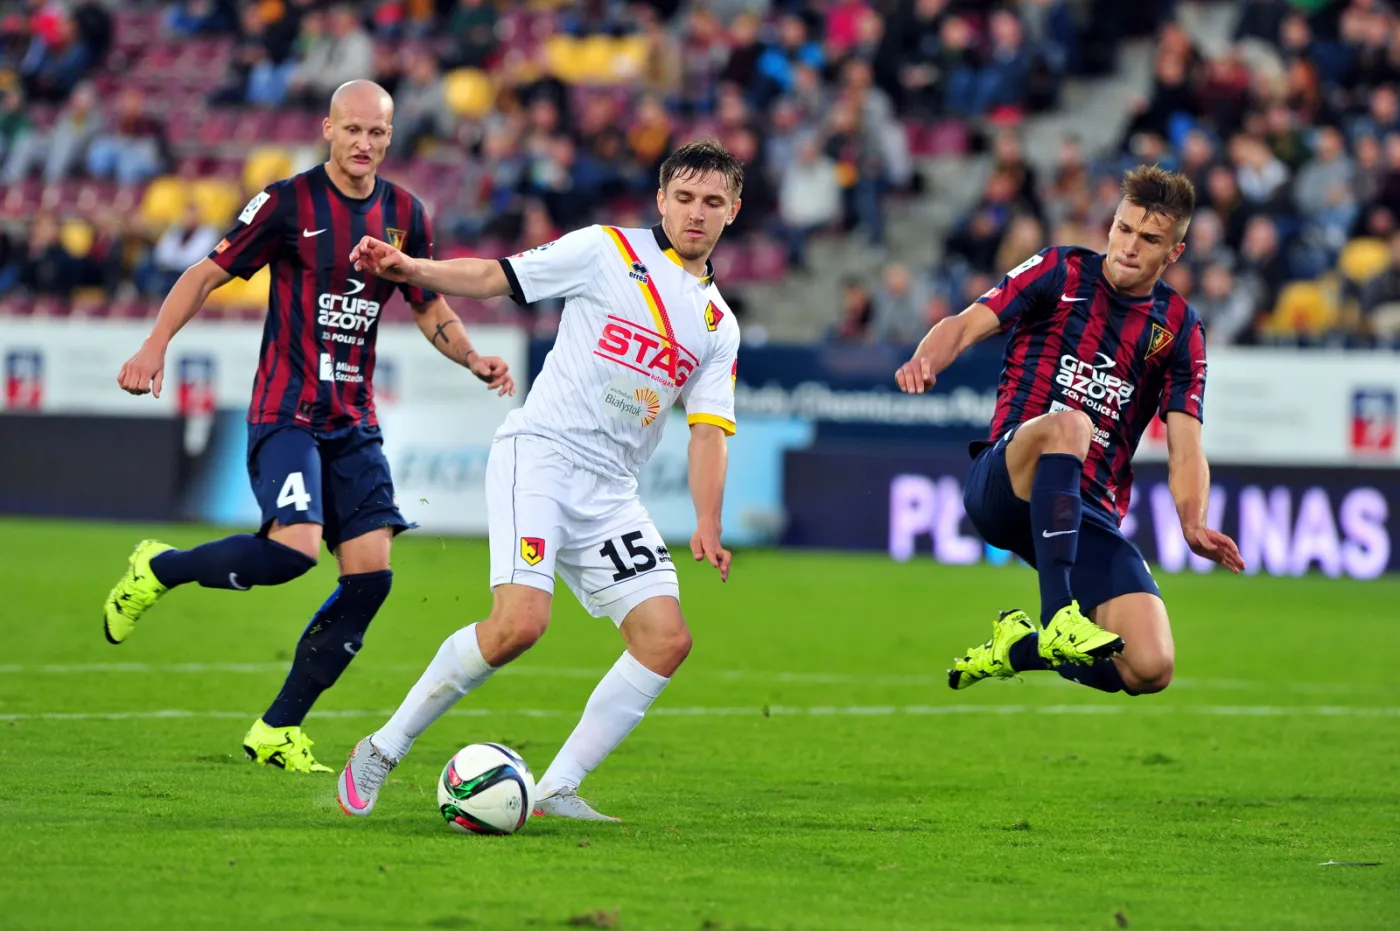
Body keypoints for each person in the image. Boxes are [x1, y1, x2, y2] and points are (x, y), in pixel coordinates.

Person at [102, 80, 516, 774]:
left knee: (371, 577)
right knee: (293, 549)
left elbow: (426, 303)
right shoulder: (287, 202)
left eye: (377, 133)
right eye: (352, 129)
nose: (364, 143)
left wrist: (472, 355)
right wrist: (154, 345)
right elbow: (206, 273)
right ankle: (159, 568)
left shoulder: (406, 214)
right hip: (285, 410)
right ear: (328, 128)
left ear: (390, 138)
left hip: (352, 420)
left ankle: (277, 729)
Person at [336, 140, 743, 822]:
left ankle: (556, 787)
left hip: (612, 491)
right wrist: (412, 267)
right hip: (543, 456)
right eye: (683, 198)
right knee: (519, 625)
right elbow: (497, 277)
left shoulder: (718, 325)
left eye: (711, 202)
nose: (695, 213)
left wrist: (708, 520)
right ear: (661, 200)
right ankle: (381, 746)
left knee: (665, 638)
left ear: (733, 210)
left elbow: (708, 429)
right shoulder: (607, 251)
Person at [895, 165, 1245, 697]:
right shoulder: (1060, 270)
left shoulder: (1179, 329)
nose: (1129, 246)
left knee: (1150, 668)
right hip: (1006, 481)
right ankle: (1058, 613)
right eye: (1123, 229)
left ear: (1173, 253)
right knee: (1071, 425)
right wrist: (926, 357)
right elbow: (967, 322)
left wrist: (1193, 523)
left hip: (1086, 514)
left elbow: (1186, 448)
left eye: (1148, 239)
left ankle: (1019, 648)